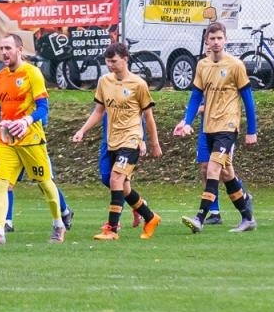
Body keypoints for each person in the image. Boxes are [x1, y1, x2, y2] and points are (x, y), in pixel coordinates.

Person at [0, 34, 67, 245]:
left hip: (31, 139)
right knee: (0, 184)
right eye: (2, 49)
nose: (4, 52)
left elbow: (43, 108)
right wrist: (3, 123)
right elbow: (3, 107)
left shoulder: (32, 73)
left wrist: (26, 121)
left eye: (8, 48)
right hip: (6, 141)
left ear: (19, 49)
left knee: (45, 183)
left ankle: (58, 223)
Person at [72, 42, 163, 240]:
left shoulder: (139, 84)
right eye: (107, 62)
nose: (110, 65)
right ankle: (150, 217)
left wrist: (154, 143)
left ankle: (111, 229)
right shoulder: (104, 82)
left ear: (125, 59)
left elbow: (148, 117)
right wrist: (82, 130)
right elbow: (98, 111)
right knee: (122, 186)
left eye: (114, 61)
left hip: (131, 140)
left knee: (115, 179)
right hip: (112, 140)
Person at [174, 21, 258, 233]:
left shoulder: (236, 65)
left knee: (213, 168)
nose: (216, 42)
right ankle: (248, 218)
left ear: (225, 40)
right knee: (227, 174)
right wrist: (186, 121)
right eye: (212, 38)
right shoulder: (202, 65)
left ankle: (200, 218)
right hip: (208, 127)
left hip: (228, 126)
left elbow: (248, 100)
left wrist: (251, 131)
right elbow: (195, 97)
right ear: (206, 42)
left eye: (219, 38)